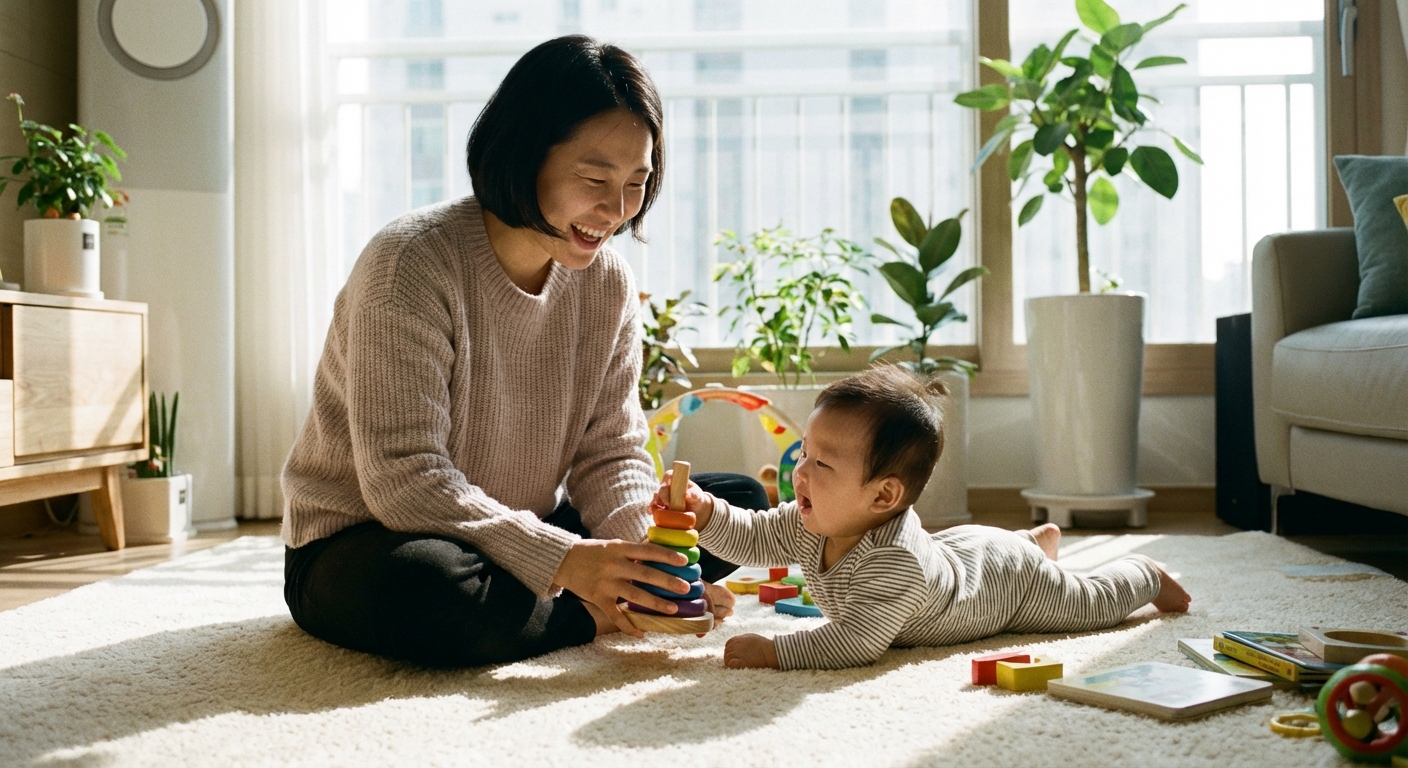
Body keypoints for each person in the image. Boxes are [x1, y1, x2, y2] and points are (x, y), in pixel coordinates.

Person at [281, 35, 766, 668]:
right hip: (375, 538)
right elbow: (404, 482)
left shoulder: (606, 282)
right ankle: (587, 612)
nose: (616, 210)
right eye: (594, 179)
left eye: (637, 184)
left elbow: (610, 451)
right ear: (524, 154)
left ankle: (572, 602)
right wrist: (570, 563)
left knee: (734, 502)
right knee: (433, 593)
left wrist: (651, 562)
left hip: (516, 525)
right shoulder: (409, 264)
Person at [649, 365, 1192, 671]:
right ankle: (1031, 541)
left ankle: (1142, 573)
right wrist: (705, 511)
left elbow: (855, 642)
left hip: (1006, 587)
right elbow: (754, 536)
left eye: (823, 463)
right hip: (969, 551)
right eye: (806, 454)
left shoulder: (893, 562)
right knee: (972, 549)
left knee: (1085, 604)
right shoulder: (819, 515)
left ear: (884, 495)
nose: (802, 473)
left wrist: (773, 650)